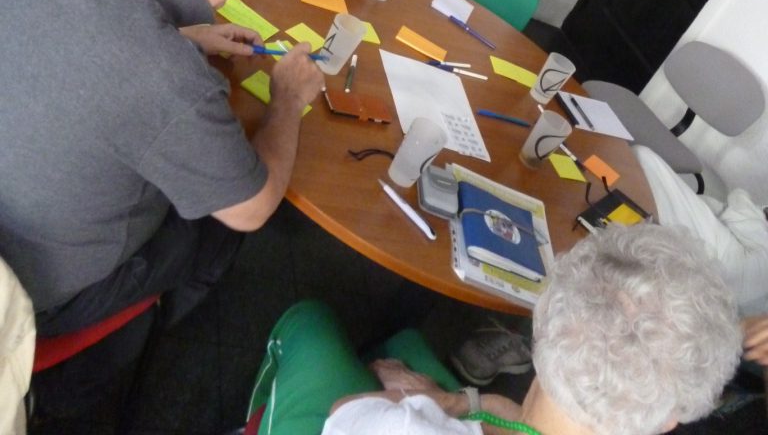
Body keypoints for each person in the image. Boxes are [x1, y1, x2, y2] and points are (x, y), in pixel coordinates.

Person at [0, 0, 323, 340]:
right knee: (214, 223)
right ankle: (170, 332)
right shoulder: (174, 82)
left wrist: (182, 36)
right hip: (28, 294)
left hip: (14, 215)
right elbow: (252, 208)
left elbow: (94, 47)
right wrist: (287, 98)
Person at [245, 224, 741, 435]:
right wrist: (458, 401)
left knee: (309, 320)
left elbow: (346, 412)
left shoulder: (402, 426)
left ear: (541, 321)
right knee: (408, 344)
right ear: (667, 421)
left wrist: (413, 403)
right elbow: (526, 421)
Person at [633, 144, 768, 316]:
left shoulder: (761, 258)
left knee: (643, 157)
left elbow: (738, 201)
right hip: (680, 289)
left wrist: (758, 215)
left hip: (692, 248)